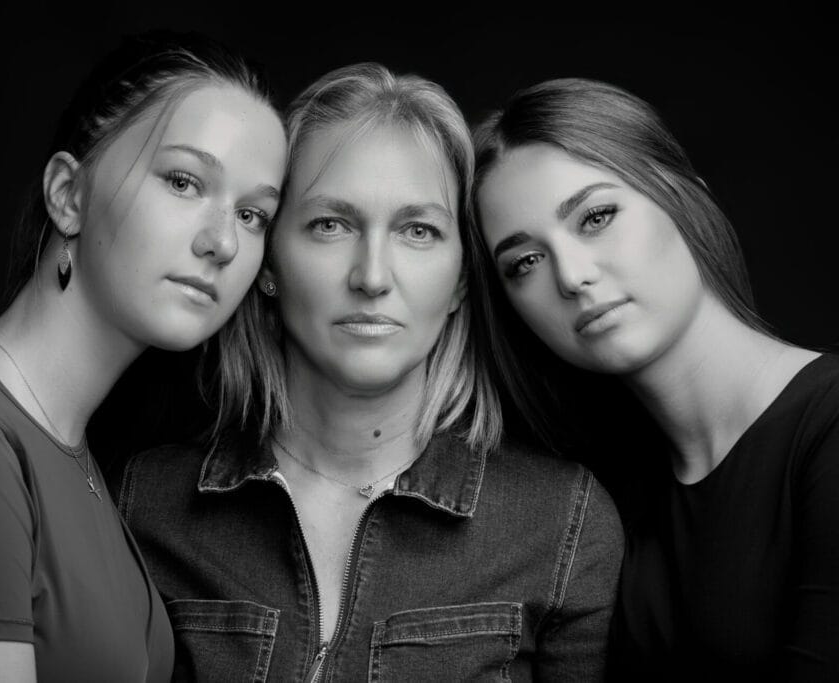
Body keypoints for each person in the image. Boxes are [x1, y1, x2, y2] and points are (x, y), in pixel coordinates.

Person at [118, 63, 623, 681]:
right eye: (331, 225)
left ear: (462, 279)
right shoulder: (145, 503)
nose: (373, 276)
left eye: (419, 230)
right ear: (268, 261)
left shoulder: (561, 523)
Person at [0, 31, 286, 682]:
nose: (223, 242)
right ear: (68, 194)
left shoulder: (68, 451)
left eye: (254, 213)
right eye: (183, 181)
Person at [471, 77, 838, 681]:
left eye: (595, 216)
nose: (572, 275)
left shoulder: (827, 429)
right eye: (524, 262)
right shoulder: (597, 493)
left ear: (685, 196)